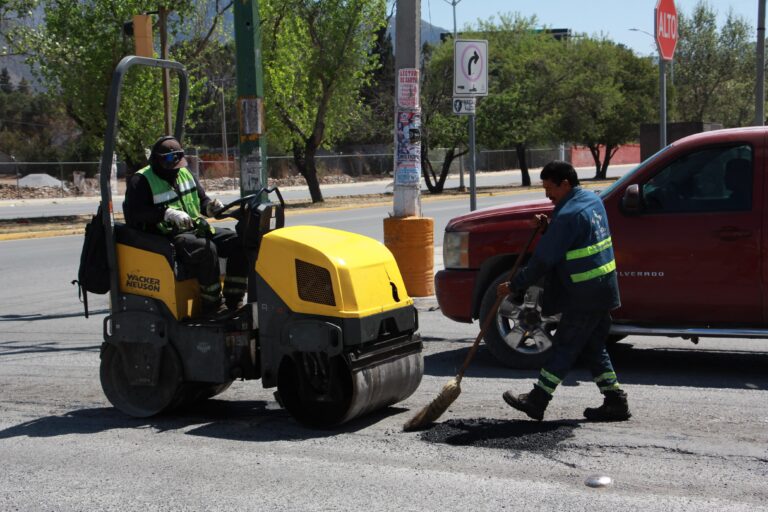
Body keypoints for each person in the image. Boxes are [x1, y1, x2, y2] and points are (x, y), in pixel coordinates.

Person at [497, 160, 630, 422]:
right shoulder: (591, 201)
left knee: (566, 345)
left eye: (550, 188)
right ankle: (615, 400)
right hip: (602, 290)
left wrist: (514, 285)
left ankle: (537, 400)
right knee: (592, 346)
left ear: (565, 183)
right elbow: (576, 236)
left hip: (584, 295)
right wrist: (551, 227)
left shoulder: (568, 215)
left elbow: (543, 261)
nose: (547, 195)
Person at [123, 136, 247, 317]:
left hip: (194, 229)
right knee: (207, 249)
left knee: (238, 241)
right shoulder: (140, 181)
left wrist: (210, 208)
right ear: (156, 160)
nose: (175, 169)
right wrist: (166, 213)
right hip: (165, 237)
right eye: (168, 162)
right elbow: (136, 213)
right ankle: (212, 306)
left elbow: (202, 200)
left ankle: (234, 302)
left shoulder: (184, 172)